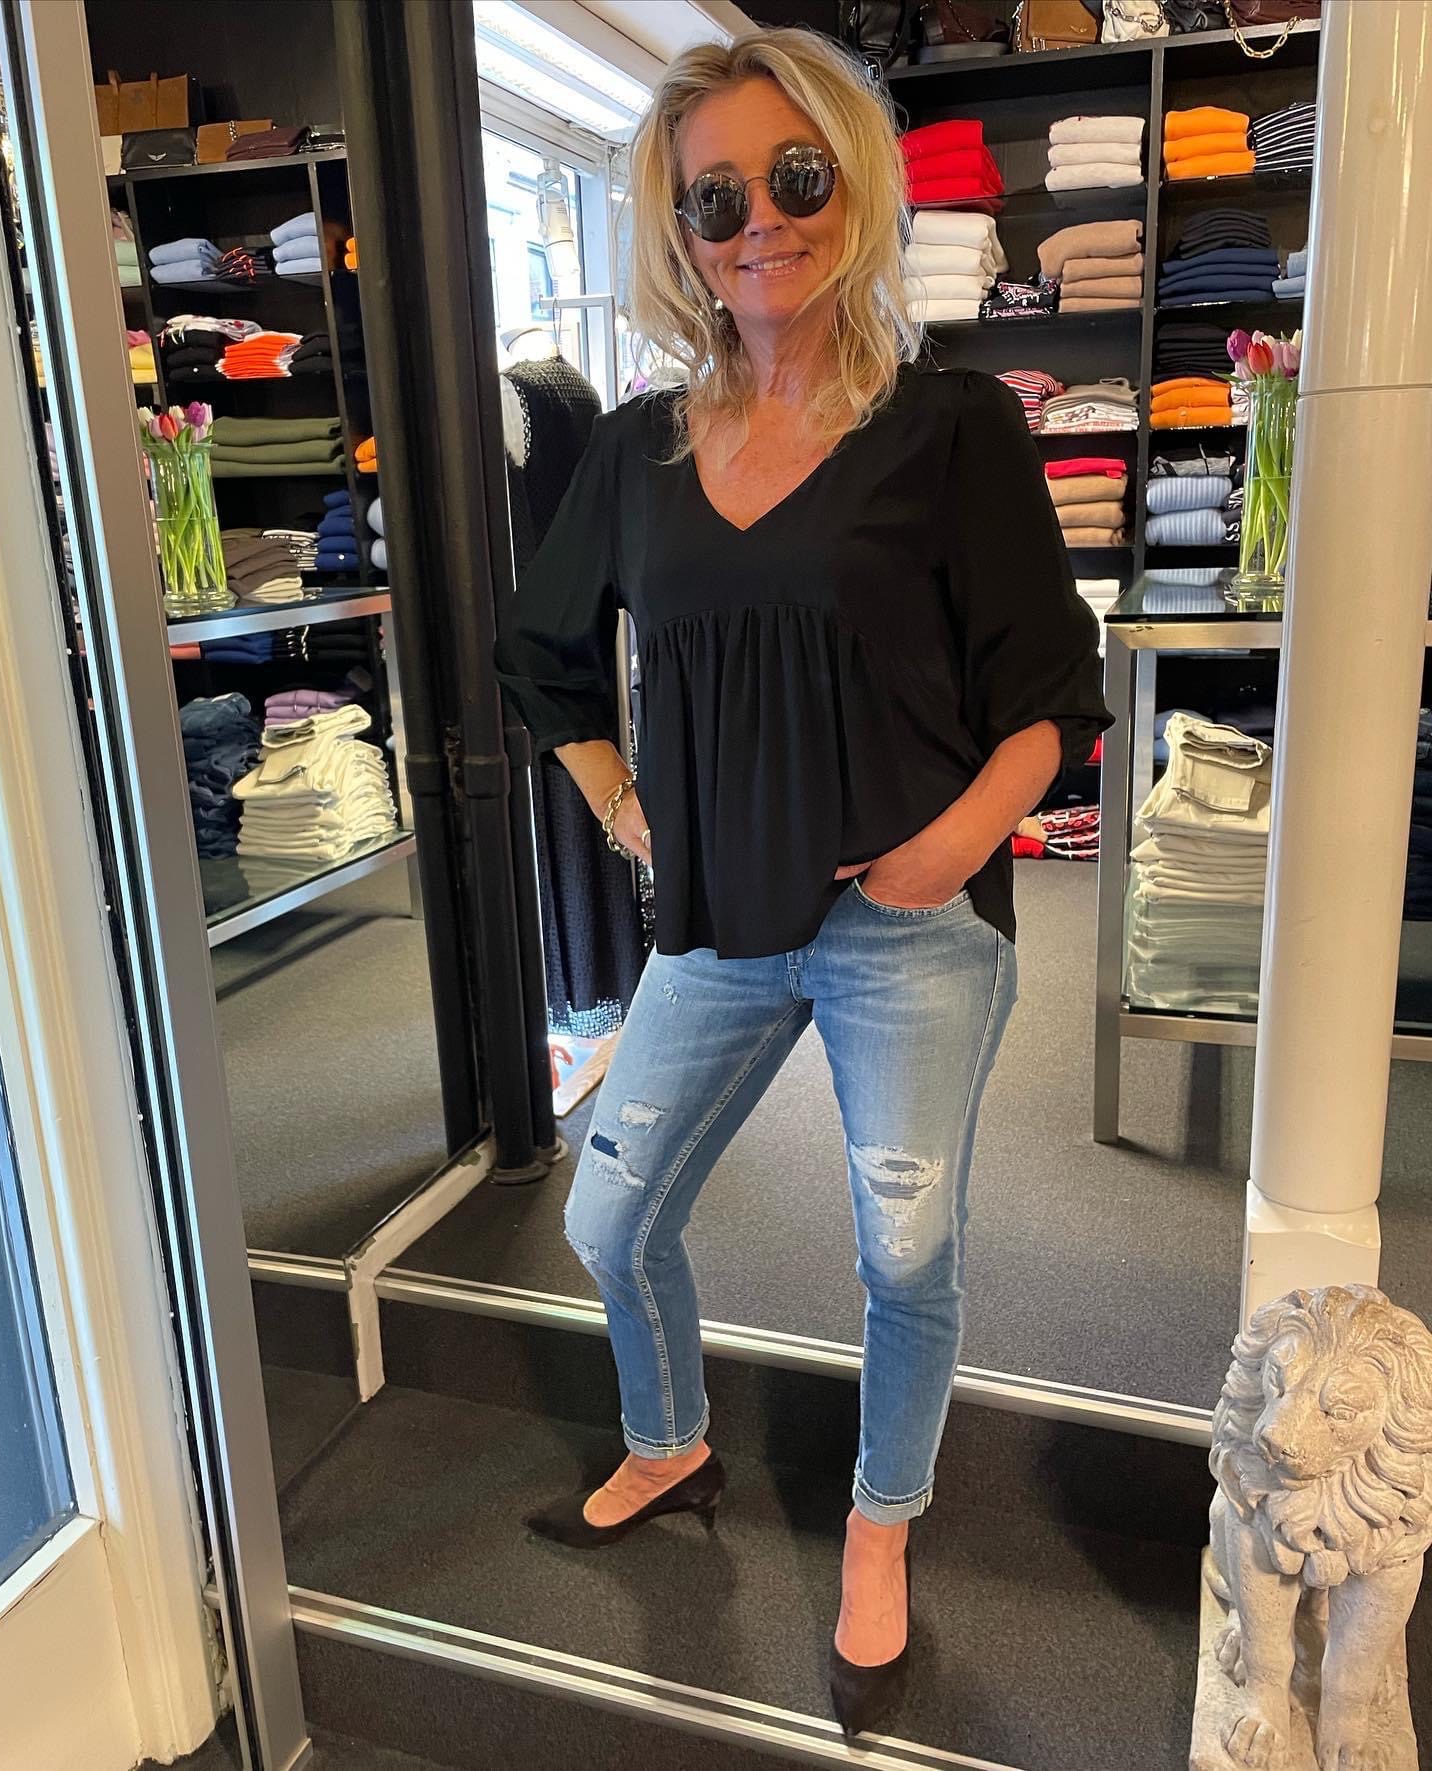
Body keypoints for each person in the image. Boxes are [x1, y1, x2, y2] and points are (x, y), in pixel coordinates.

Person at [492, 25, 1112, 1741]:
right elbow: (543, 657)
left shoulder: (951, 428)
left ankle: (881, 1520)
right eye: (715, 198)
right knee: (611, 1220)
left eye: (794, 177)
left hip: (904, 930)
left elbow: (1054, 699)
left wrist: (952, 848)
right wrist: (627, 809)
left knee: (904, 1250)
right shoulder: (636, 452)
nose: (757, 220)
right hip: (715, 921)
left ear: (852, 186)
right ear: (677, 231)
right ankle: (670, 1442)